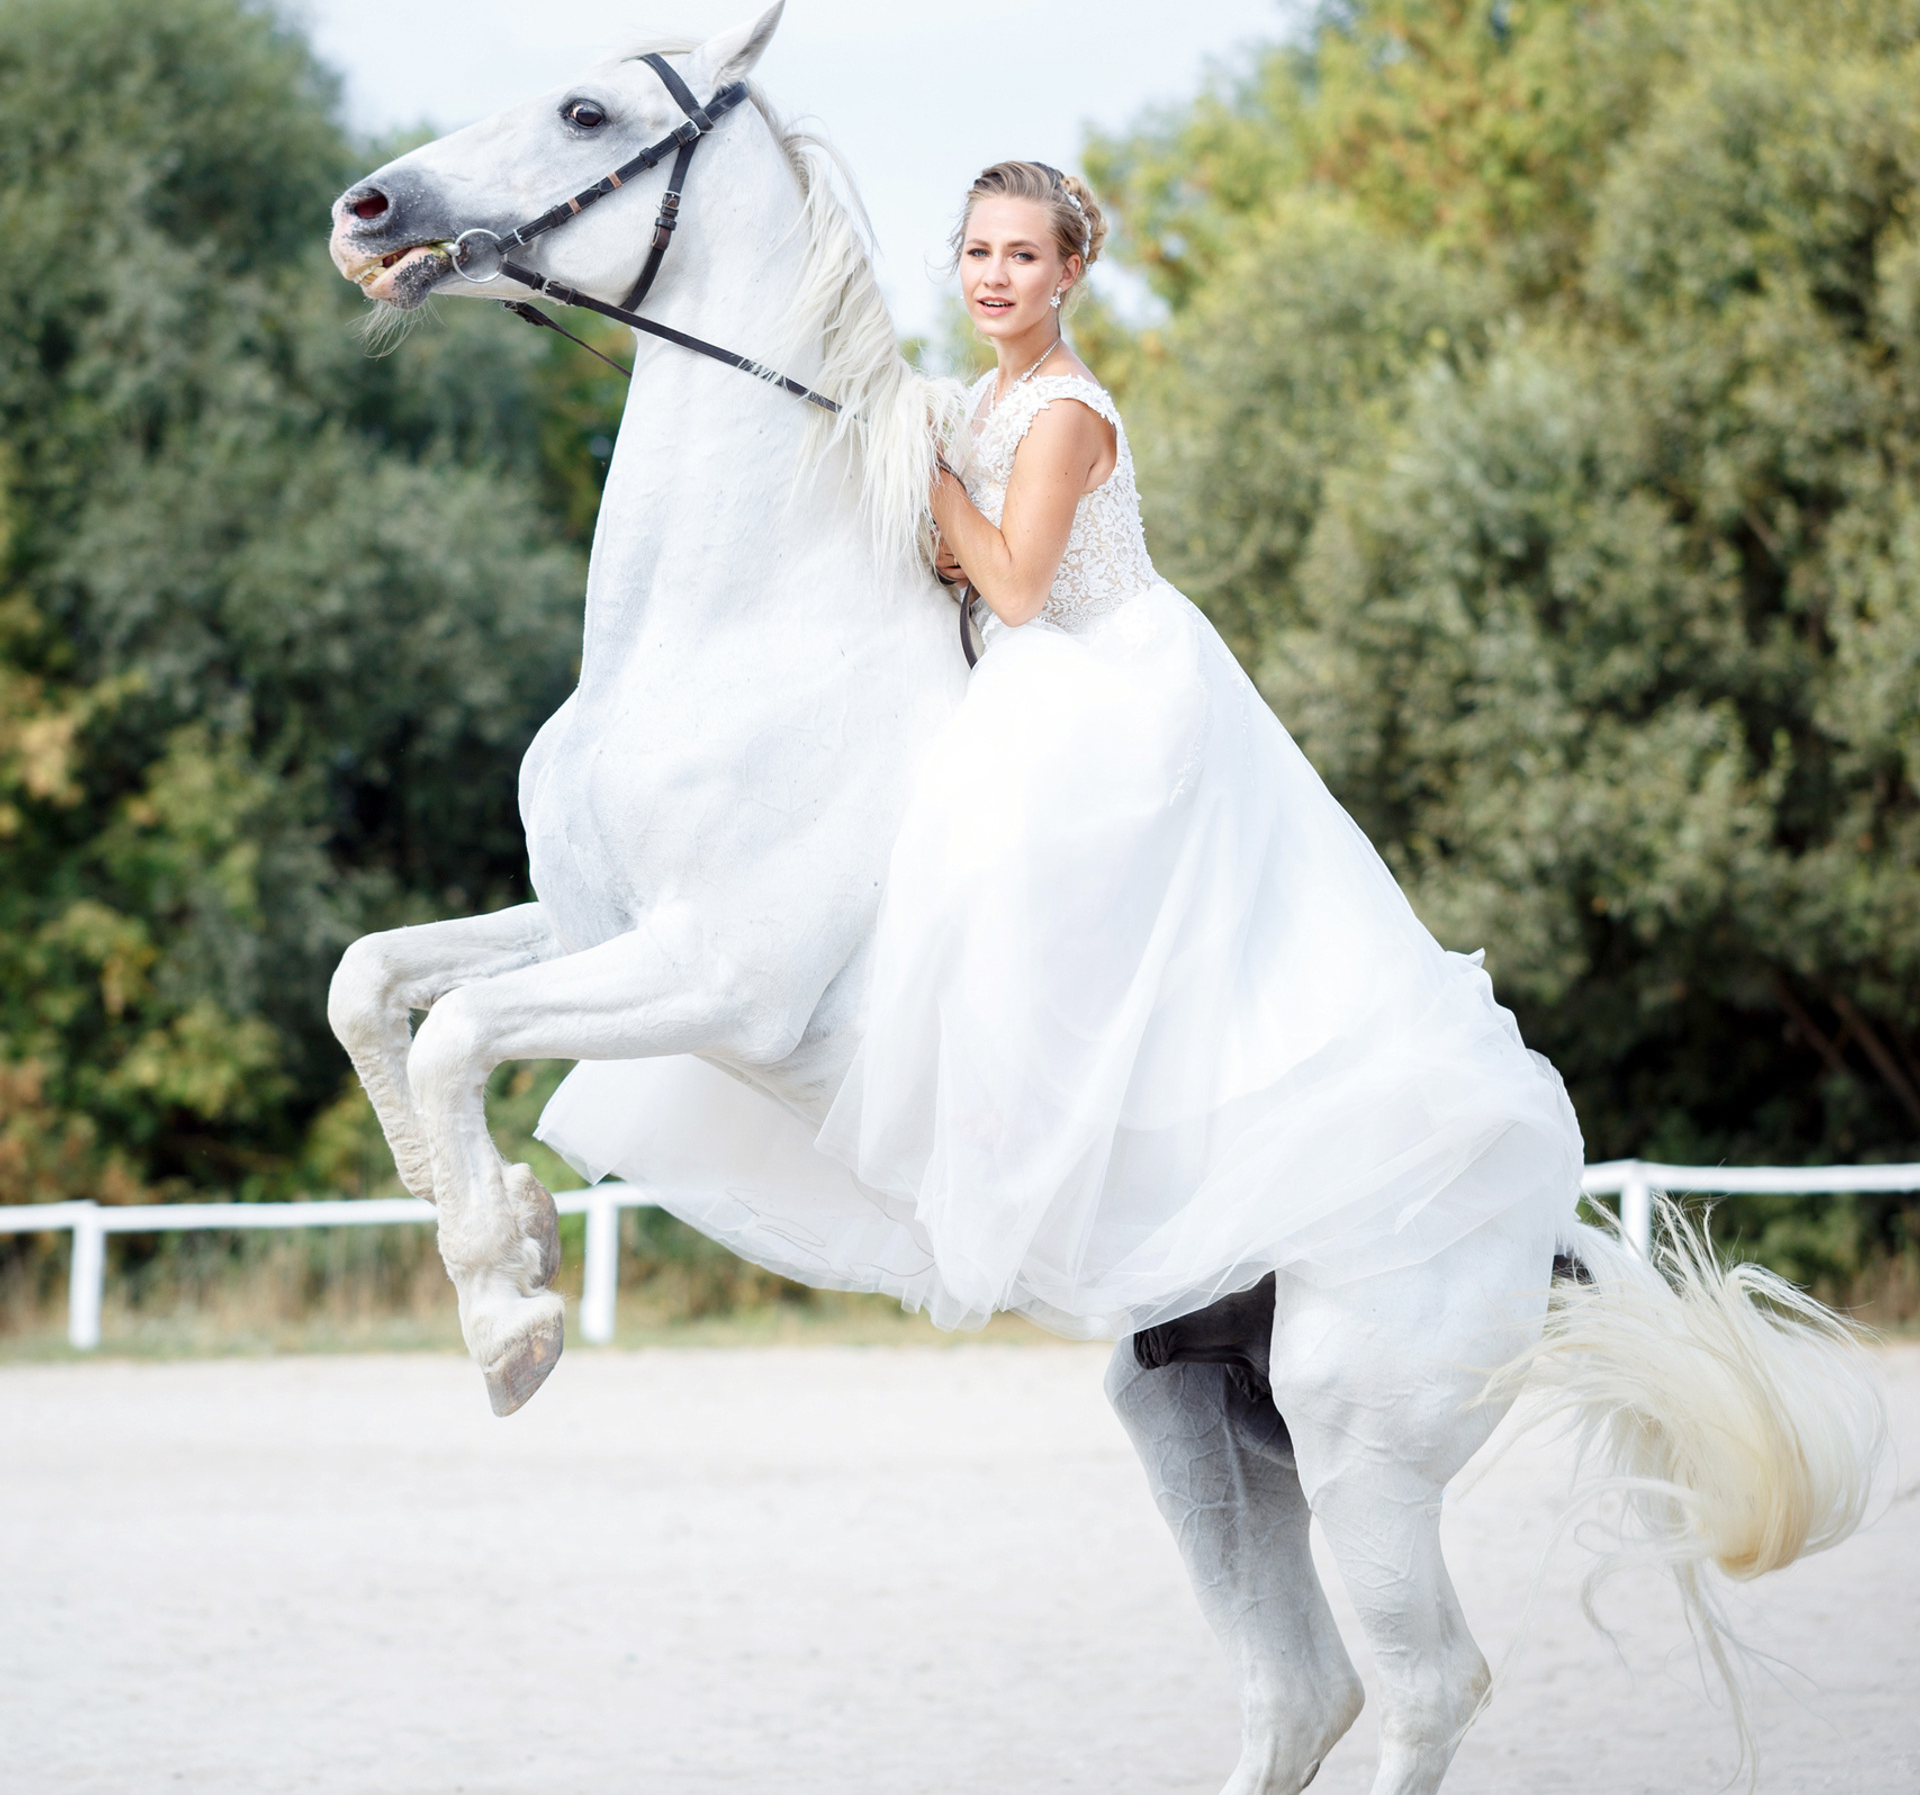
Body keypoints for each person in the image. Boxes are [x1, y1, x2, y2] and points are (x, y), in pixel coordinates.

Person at [542, 161, 1584, 1340]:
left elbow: (1022, 586)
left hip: (1097, 676)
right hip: (1023, 666)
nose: (996, 277)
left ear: (1070, 273)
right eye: (980, 253)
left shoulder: (1063, 411)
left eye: (1023, 256)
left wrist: (931, 491)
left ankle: (1014, 1136)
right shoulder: (981, 397)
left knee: (992, 867)